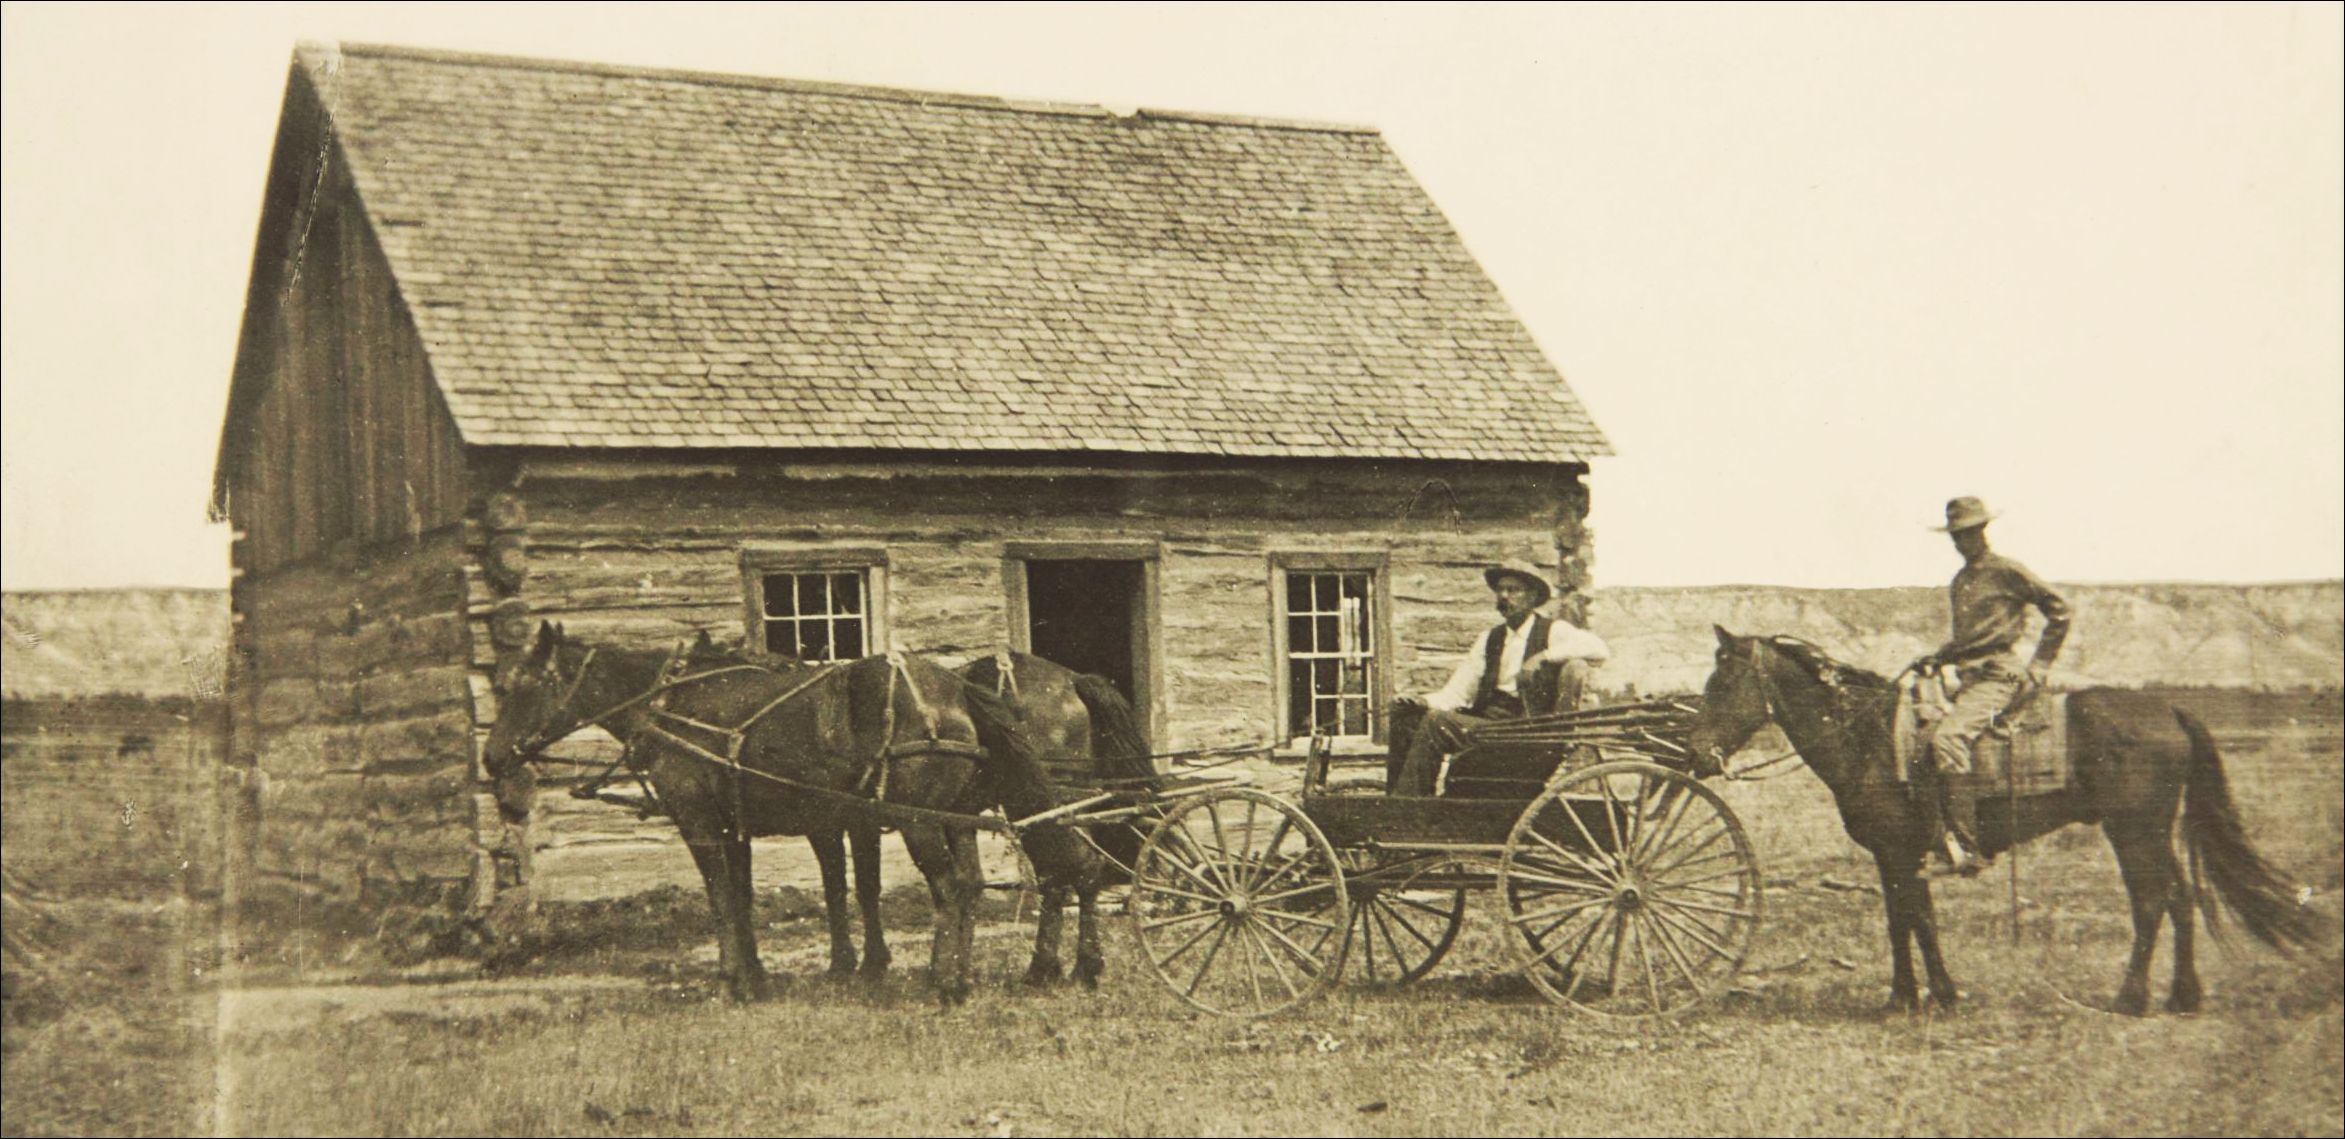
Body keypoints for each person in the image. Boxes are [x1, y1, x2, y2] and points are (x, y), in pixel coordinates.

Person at [1908, 497, 2071, 876]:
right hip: (1968, 678)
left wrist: (2042, 662)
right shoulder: (1961, 582)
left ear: (1983, 531)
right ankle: (1941, 835)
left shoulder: (2007, 571)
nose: (1962, 541)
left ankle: (1968, 846)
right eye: (1956, 535)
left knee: (1948, 738)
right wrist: (1938, 656)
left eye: (1969, 533)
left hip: (2000, 676)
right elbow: (1969, 640)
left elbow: (2060, 608)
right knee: (1920, 737)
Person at [1388, 562, 1611, 796]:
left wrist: (1543, 657)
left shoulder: (1553, 631)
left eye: (1514, 590)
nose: (1504, 596)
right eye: (1500, 590)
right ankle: (1397, 800)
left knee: (1437, 723)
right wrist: (1422, 702)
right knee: (1407, 716)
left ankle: (1410, 806)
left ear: (1532, 597)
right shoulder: (1490, 639)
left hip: (1525, 729)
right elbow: (1457, 693)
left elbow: (1598, 648)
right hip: (1490, 724)